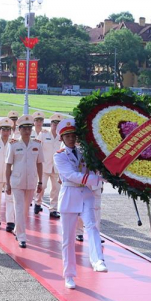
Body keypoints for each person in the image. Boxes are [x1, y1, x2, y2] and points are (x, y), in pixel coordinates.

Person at [53, 119, 107, 289]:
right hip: (70, 195)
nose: (70, 138)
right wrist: (95, 179)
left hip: (85, 194)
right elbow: (71, 175)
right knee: (68, 239)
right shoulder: (59, 155)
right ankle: (69, 274)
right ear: (62, 137)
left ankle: (97, 260)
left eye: (73, 135)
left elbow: (94, 169)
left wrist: (105, 173)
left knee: (92, 226)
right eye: (67, 136)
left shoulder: (84, 153)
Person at [5, 115, 43, 248]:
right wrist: (7, 183)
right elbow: (8, 164)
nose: (27, 131)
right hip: (17, 181)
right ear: (19, 130)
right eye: (24, 128)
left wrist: (41, 182)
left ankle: (17, 228)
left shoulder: (37, 144)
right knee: (19, 208)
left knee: (26, 209)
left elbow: (39, 163)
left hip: (31, 181)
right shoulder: (14, 145)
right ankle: (21, 236)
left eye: (29, 128)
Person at [33, 113, 63, 217]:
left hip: (57, 167)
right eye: (54, 123)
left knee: (56, 189)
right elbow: (37, 149)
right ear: (51, 124)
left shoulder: (62, 136)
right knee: (42, 186)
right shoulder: (43, 134)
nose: (56, 125)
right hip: (45, 165)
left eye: (58, 123)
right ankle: (37, 203)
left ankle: (53, 209)